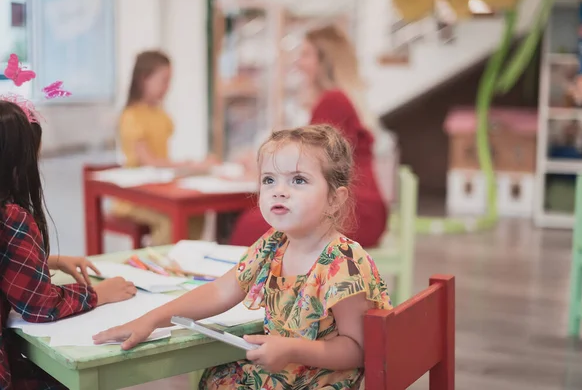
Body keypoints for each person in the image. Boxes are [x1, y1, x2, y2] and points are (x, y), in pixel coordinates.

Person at [92, 125, 392, 389]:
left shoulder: (344, 262)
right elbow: (220, 290)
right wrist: (153, 319)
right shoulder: (273, 244)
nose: (279, 191)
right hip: (284, 371)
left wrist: (292, 349)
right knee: (215, 377)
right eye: (269, 180)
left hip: (320, 379)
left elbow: (357, 349)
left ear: (334, 200)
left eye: (298, 180)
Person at [0, 98, 137, 389]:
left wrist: (48, 261)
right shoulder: (11, 218)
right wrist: (98, 293)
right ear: (16, 163)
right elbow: (39, 306)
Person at [228, 24, 389, 248]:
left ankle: (243, 281)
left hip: (351, 211)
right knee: (256, 220)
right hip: (349, 206)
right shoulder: (335, 100)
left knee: (251, 224)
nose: (298, 62)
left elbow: (309, 164)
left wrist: (260, 170)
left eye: (305, 54)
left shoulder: (333, 101)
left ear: (324, 62)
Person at [112, 50, 218, 245]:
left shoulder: (161, 114)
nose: (167, 87)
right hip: (135, 196)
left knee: (196, 214)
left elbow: (161, 161)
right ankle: (159, 266)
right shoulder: (131, 116)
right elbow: (149, 161)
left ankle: (185, 261)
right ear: (144, 79)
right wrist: (187, 166)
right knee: (168, 220)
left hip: (161, 188)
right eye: (164, 80)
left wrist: (189, 165)